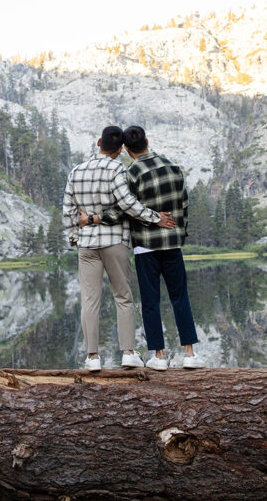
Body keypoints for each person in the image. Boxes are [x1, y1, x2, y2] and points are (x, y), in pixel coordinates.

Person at [87, 125, 205, 370]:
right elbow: (184, 204)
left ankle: (158, 356)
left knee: (150, 302)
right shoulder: (174, 168)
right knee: (180, 298)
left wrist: (96, 218)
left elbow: (123, 209)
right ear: (147, 141)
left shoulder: (131, 173)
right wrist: (178, 233)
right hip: (172, 244)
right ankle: (190, 354)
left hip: (145, 248)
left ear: (127, 150)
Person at [62, 125, 175, 372]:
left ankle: (92, 357)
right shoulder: (117, 169)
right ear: (120, 149)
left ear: (98, 142)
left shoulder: (76, 171)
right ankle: (128, 353)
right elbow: (127, 204)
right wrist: (156, 217)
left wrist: (75, 238)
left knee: (90, 300)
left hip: (87, 245)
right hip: (115, 242)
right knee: (123, 297)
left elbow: (68, 210)